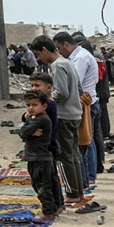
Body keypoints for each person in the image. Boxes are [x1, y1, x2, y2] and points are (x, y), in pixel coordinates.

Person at [30, 36, 84, 203]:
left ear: (45, 50)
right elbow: (79, 90)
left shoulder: (57, 65)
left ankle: (72, 193)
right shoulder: (68, 62)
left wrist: (44, 100)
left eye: (38, 54)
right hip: (74, 115)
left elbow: (61, 92)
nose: (39, 58)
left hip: (63, 116)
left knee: (64, 157)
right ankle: (78, 191)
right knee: (73, 155)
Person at [54, 32, 100, 191]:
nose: (59, 52)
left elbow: (74, 83)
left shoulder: (80, 58)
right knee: (86, 141)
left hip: (85, 102)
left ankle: (86, 179)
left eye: (59, 48)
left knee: (84, 142)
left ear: (66, 44)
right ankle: (88, 177)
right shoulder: (79, 56)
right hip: (87, 100)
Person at [28, 72, 65, 213]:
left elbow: (26, 129)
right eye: (32, 85)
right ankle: (58, 205)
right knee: (52, 177)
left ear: (49, 87)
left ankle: (50, 209)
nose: (33, 88)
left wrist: (28, 126)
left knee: (43, 181)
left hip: (44, 148)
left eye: (37, 86)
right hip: (51, 145)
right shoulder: (49, 104)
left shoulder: (46, 107)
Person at [19, 89, 58, 221]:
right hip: (39, 157)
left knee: (41, 186)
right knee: (43, 185)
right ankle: (52, 208)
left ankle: (47, 212)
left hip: (39, 158)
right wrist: (29, 131)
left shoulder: (40, 119)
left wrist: (27, 130)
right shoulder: (36, 118)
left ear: (44, 106)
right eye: (28, 105)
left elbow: (23, 133)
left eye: (34, 105)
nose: (30, 108)